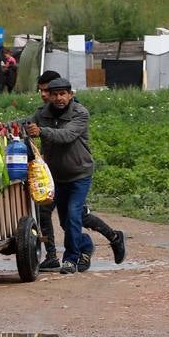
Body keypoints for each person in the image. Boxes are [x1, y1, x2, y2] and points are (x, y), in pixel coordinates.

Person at [32, 70, 125, 272]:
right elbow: (27, 123)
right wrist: (5, 127)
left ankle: (71, 259)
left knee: (75, 216)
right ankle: (79, 248)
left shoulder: (80, 113)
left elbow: (66, 135)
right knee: (62, 219)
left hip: (79, 174)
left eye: (59, 93)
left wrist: (41, 131)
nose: (53, 97)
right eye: (50, 93)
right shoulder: (42, 113)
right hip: (55, 177)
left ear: (69, 94)